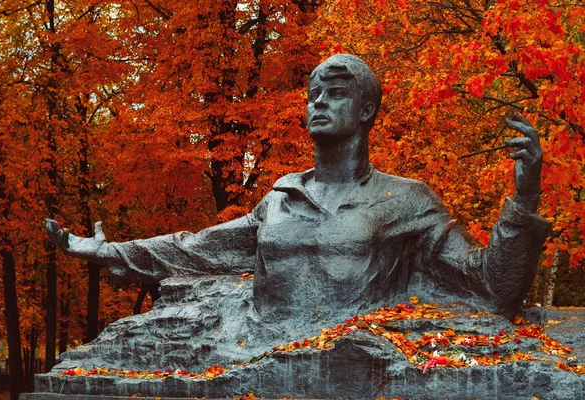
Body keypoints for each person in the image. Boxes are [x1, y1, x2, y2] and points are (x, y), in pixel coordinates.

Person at [46, 54, 549, 323]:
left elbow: (492, 288)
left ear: (367, 111)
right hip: (257, 355)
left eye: (335, 94)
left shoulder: (407, 200)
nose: (318, 104)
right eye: (312, 95)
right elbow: (194, 248)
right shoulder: (280, 201)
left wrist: (522, 201)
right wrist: (108, 250)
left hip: (359, 368)